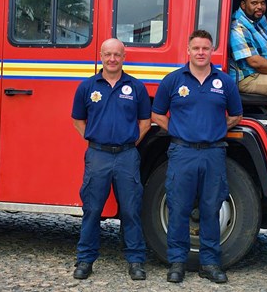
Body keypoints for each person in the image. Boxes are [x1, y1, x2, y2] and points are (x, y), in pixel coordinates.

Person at [151, 30, 243, 284]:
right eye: (196, 48)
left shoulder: (224, 82)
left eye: (205, 48)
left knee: (210, 209)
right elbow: (157, 115)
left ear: (212, 50)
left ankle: (210, 263)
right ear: (188, 51)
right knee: (179, 207)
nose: (201, 52)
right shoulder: (172, 80)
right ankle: (177, 263)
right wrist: (179, 131)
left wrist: (216, 130)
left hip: (213, 153)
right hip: (182, 153)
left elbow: (236, 114)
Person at [71, 38, 151, 281]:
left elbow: (145, 123)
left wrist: (127, 143)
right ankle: (85, 260)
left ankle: (136, 261)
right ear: (101, 56)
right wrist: (97, 140)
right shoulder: (87, 87)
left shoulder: (136, 87)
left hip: (127, 156)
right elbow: (77, 120)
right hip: (98, 156)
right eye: (108, 54)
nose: (112, 59)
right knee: (92, 209)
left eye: (117, 54)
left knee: (131, 210)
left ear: (124, 57)